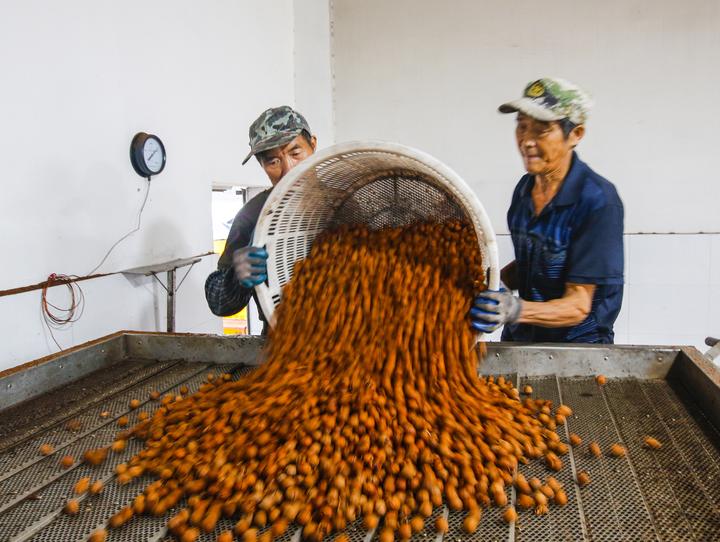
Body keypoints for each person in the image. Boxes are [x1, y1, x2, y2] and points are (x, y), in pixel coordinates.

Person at [470, 78, 624, 343]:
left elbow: (578, 304)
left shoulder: (598, 201)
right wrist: (495, 285)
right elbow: (535, 260)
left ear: (575, 134)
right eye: (522, 126)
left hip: (577, 347)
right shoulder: (525, 189)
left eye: (541, 130)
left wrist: (513, 309)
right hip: (522, 335)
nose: (527, 141)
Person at [205, 106, 317, 331]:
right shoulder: (254, 216)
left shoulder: (349, 200)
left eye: (296, 153)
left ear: (313, 145)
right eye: (273, 161)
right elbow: (218, 303)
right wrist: (237, 277)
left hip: (352, 341)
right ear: (262, 165)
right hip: (284, 341)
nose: (289, 169)